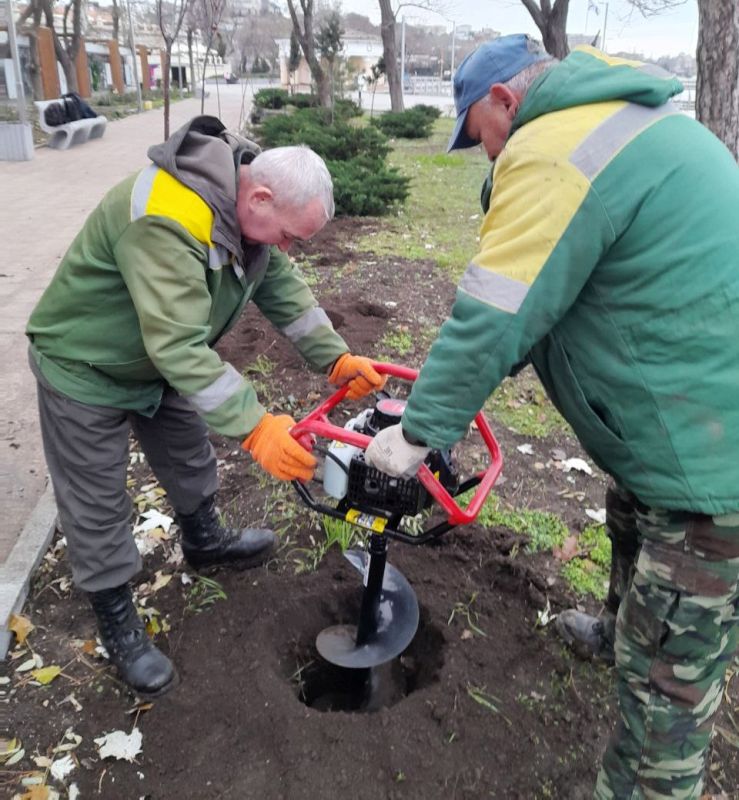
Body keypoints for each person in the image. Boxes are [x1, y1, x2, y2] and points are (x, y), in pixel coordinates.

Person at [365, 34, 739, 799]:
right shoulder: (625, 122)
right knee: (631, 514)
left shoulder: (555, 148)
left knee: (667, 678)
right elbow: (545, 300)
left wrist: (419, 430)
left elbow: (495, 313)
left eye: (479, 135)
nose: (484, 154)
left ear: (506, 101)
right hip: (686, 406)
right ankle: (618, 631)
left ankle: (645, 777)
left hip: (713, 455)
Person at [26, 115, 386, 697]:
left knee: (189, 456)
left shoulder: (245, 207)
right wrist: (256, 426)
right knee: (97, 502)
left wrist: (336, 358)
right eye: (289, 235)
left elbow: (278, 284)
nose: (287, 247)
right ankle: (118, 621)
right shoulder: (166, 214)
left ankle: (204, 540)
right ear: (260, 197)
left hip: (155, 359)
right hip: (86, 364)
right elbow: (176, 345)